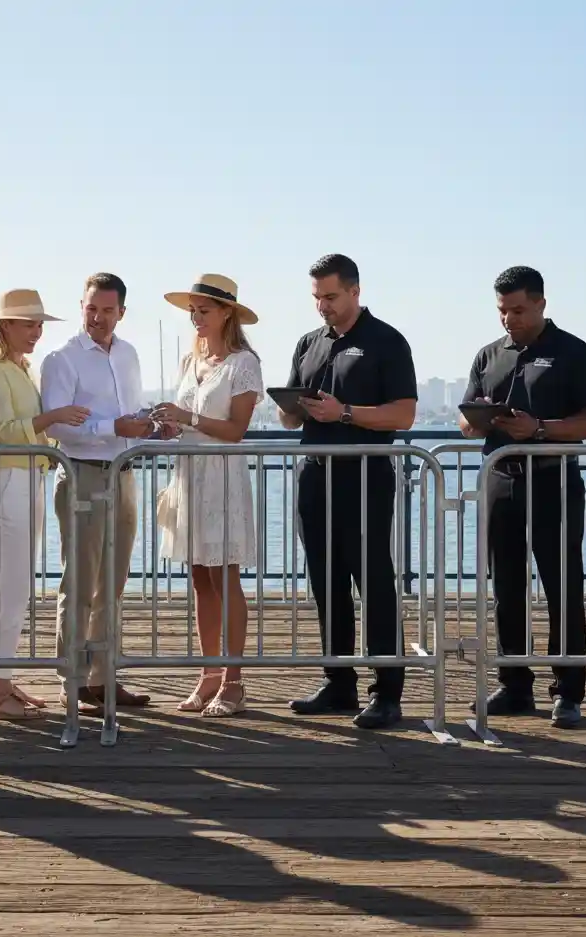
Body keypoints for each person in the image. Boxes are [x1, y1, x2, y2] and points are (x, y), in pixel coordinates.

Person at [460, 266, 586, 729]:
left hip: (553, 479)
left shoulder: (573, 352)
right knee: (506, 586)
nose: (509, 319)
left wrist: (539, 430)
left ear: (542, 302)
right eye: (502, 310)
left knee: (563, 585)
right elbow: (465, 420)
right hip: (500, 479)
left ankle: (568, 692)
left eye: (518, 309)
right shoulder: (488, 355)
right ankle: (514, 684)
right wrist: (480, 420)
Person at [281, 254, 417, 730]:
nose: (324, 307)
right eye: (317, 298)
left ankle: (387, 691)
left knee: (374, 581)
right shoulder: (308, 343)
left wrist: (343, 413)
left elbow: (402, 415)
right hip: (315, 474)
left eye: (331, 297)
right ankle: (338, 684)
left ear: (355, 291)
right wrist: (292, 407)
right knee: (326, 583)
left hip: (365, 476)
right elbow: (289, 416)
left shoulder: (387, 341)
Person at [40, 272, 153, 716]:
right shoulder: (61, 358)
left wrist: (148, 428)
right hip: (82, 474)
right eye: (91, 308)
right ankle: (72, 681)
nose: (98, 318)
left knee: (115, 582)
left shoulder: (129, 355)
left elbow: (128, 415)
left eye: (108, 310)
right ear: (81, 305)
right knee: (81, 582)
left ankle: (104, 679)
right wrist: (113, 427)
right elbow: (57, 424)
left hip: (123, 474)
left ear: (121, 312)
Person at [0, 289, 90, 719]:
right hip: (7, 480)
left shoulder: (19, 370)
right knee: (10, 585)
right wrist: (51, 419)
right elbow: (2, 431)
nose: (37, 332)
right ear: (5, 326)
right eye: (29, 324)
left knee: (14, 584)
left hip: (27, 479)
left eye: (39, 324)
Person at [152, 274, 263, 717]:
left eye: (204, 310)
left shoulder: (244, 363)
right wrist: (165, 425)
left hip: (222, 477)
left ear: (226, 313)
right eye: (192, 310)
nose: (196, 318)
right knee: (199, 577)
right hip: (189, 475)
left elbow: (236, 430)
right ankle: (209, 672)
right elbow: (187, 422)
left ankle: (233, 680)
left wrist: (188, 416)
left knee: (224, 575)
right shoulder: (188, 361)